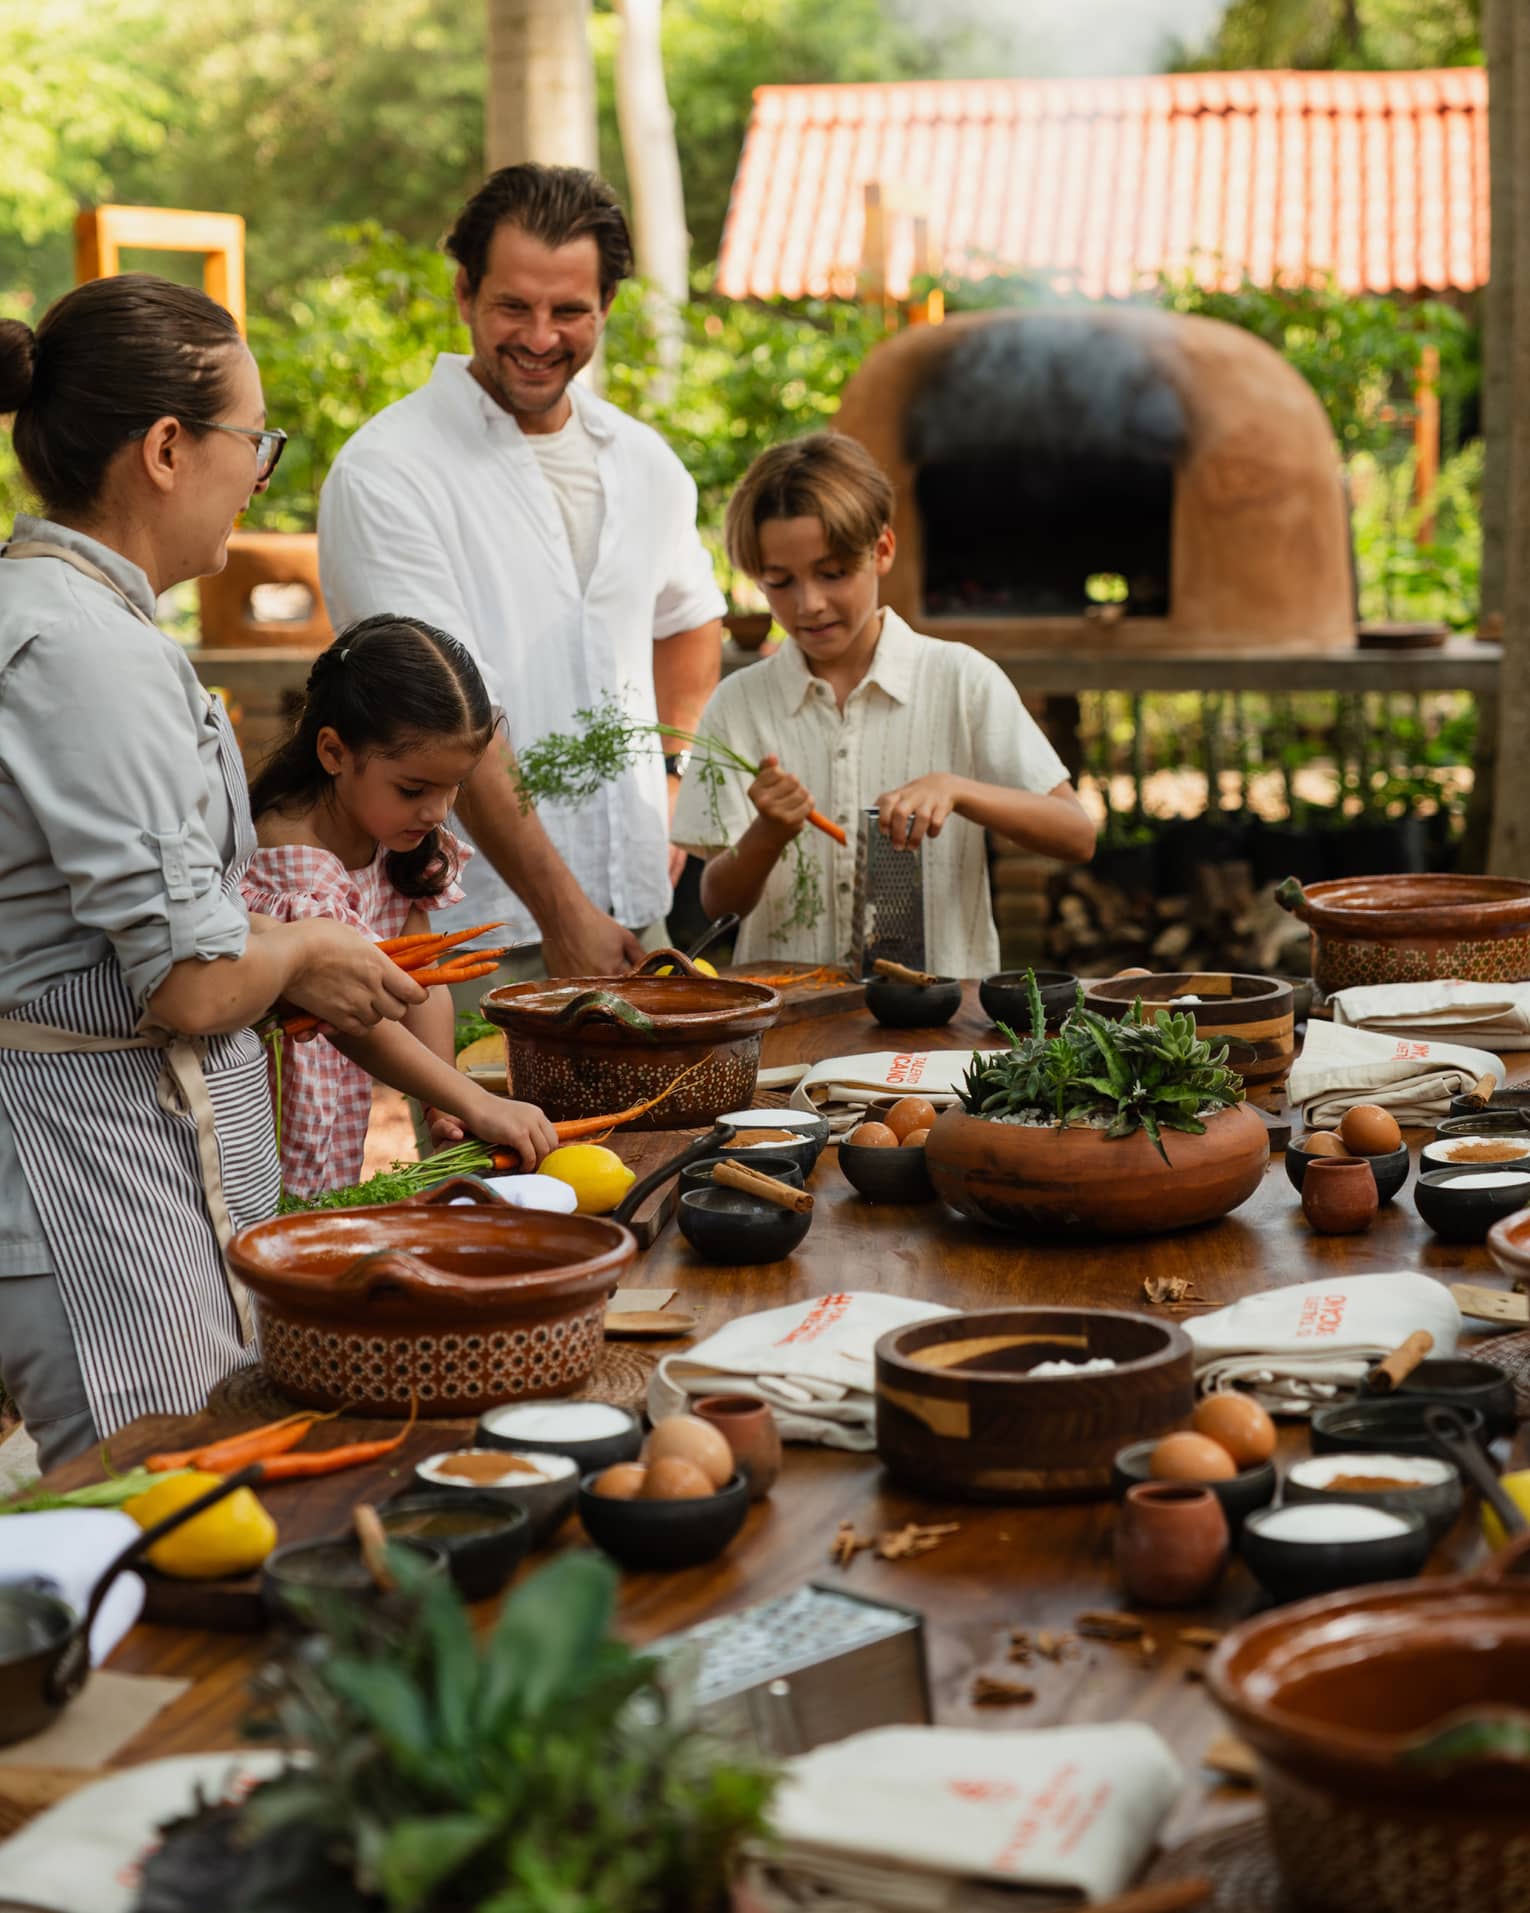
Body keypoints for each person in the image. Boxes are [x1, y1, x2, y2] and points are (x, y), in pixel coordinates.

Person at [0, 275, 423, 1468]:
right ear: (170, 448)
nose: (262, 470)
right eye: (257, 439)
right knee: (165, 1525)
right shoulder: (81, 648)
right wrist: (306, 948)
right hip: (97, 1180)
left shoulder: (82, 621)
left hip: (118, 1164)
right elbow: (189, 985)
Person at [319, 163, 725, 984]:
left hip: (638, 904)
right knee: (498, 1116)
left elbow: (687, 618)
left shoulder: (645, 462)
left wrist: (675, 788)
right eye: (514, 305)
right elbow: (442, 719)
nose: (541, 336)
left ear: (606, 306)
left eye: (569, 310)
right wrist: (561, 910)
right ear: (465, 292)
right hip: (476, 929)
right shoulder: (387, 472)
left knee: (667, 1117)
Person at [670, 434, 1096, 973]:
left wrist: (958, 789)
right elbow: (719, 904)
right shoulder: (739, 703)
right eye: (779, 582)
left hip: (940, 1022)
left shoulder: (960, 678)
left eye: (833, 574)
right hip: (792, 1020)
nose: (809, 604)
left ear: (883, 550)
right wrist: (769, 832)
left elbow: (1076, 835)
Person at [242, 617, 558, 1199]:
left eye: (454, 787)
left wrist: (441, 1099)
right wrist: (476, 1102)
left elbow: (424, 980)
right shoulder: (292, 858)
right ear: (334, 752)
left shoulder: (392, 832)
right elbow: (352, 1024)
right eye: (414, 790)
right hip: (271, 1115)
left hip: (336, 1109)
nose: (438, 811)